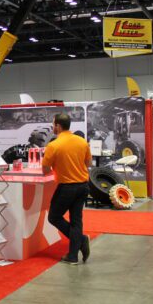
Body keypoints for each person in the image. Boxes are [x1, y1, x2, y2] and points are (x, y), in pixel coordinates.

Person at [42, 113, 92, 265]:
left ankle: (81, 240)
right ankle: (72, 255)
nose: (52, 127)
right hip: (83, 186)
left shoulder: (53, 145)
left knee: (54, 217)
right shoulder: (82, 142)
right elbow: (88, 163)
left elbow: (45, 170)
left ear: (57, 126)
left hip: (66, 187)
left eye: (53, 124)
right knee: (76, 220)